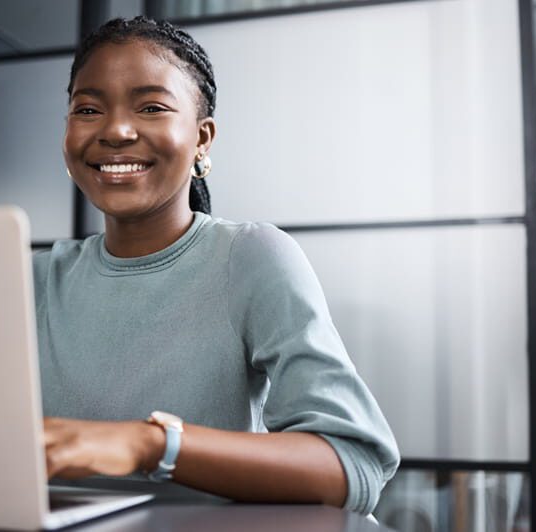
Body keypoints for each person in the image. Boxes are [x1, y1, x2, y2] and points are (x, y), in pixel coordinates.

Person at [33, 16, 399, 515]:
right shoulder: (33, 278)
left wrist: (152, 443)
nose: (116, 130)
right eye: (89, 109)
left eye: (152, 107)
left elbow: (352, 464)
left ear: (202, 139)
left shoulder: (249, 256)